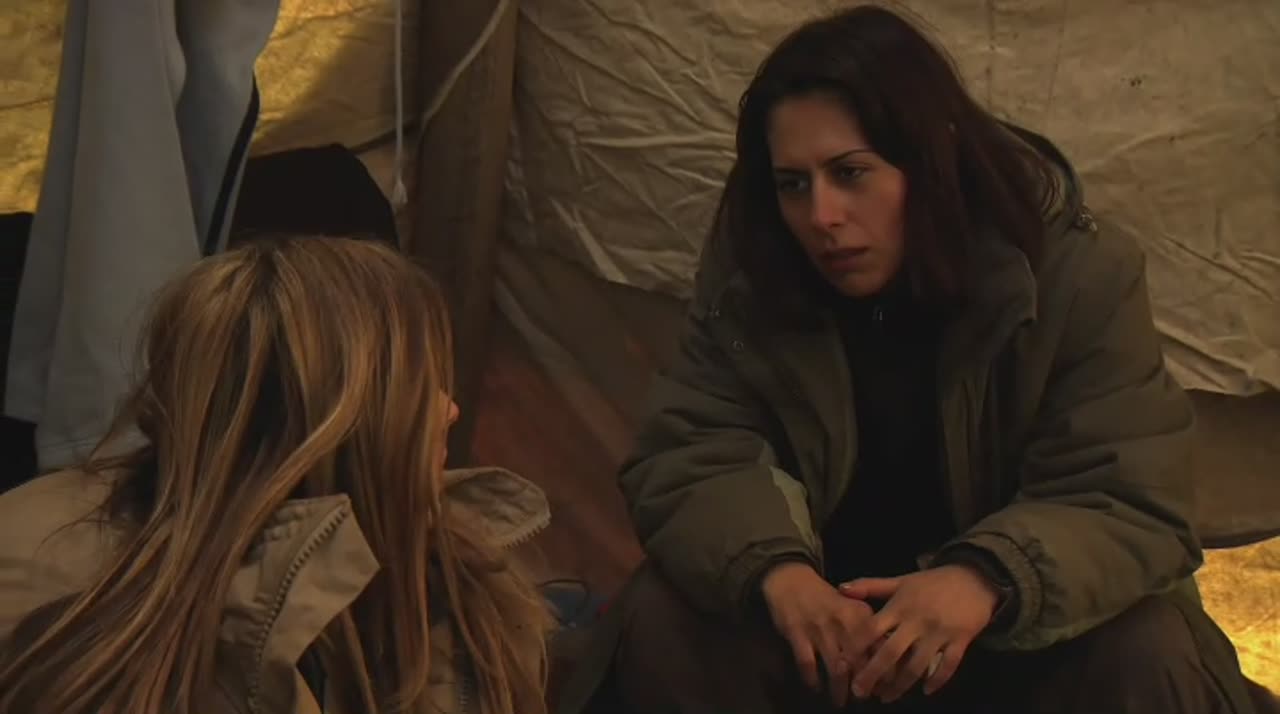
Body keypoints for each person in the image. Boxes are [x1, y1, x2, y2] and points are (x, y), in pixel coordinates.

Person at [555, 6, 1261, 714]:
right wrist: (775, 573)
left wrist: (986, 578)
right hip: (829, 641)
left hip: (1011, 643)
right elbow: (691, 449)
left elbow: (1128, 492)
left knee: (1149, 648)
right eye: (793, 184)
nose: (822, 216)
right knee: (663, 619)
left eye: (850, 173)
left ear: (930, 161)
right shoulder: (756, 272)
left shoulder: (1072, 275)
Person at [0, 237, 554, 714]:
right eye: (417, 390)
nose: (450, 409)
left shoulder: (469, 583)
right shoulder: (93, 638)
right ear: (327, 424)